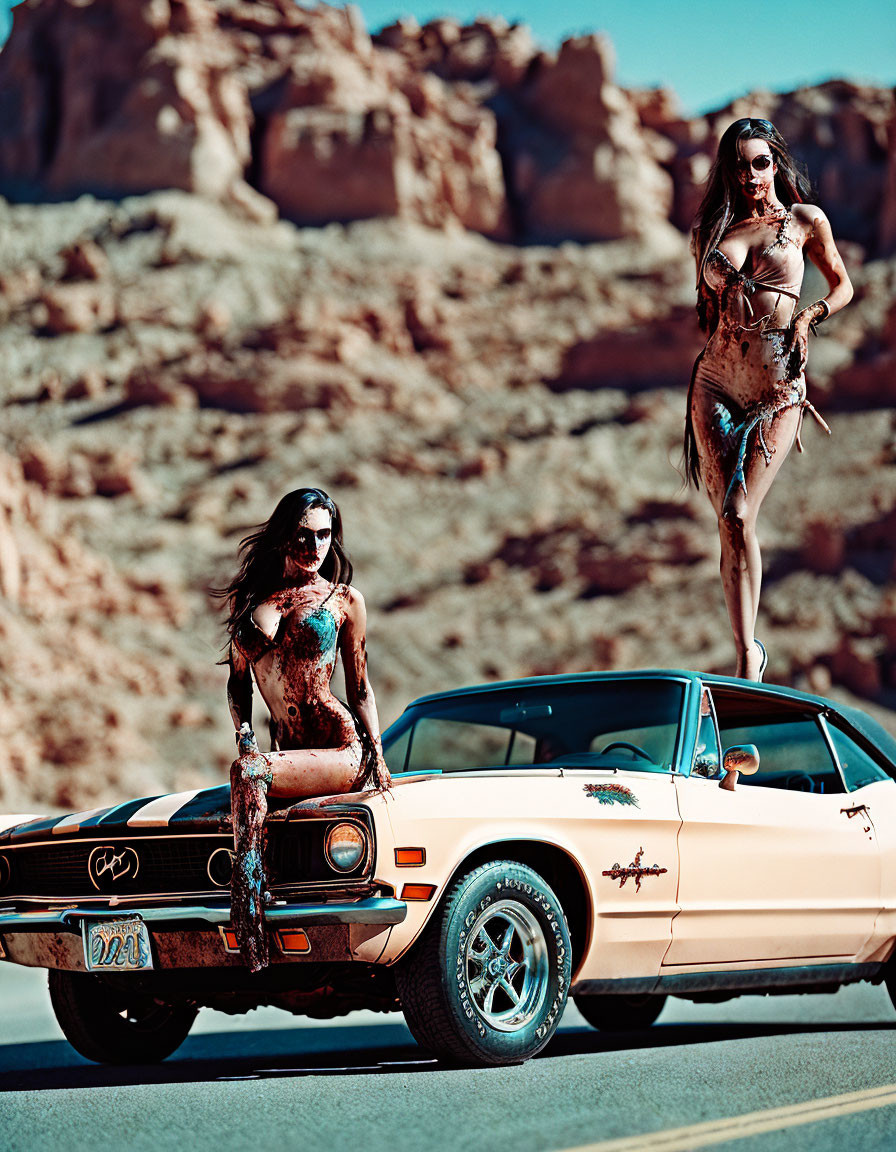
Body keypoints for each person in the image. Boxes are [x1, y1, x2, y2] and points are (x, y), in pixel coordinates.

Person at [684, 117, 852, 680]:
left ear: (776, 162)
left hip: (779, 385)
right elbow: (709, 306)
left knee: (739, 509)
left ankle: (748, 658)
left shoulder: (803, 221)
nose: (751, 174)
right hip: (716, 380)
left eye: (761, 162)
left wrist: (809, 315)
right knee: (727, 524)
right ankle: (744, 652)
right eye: (739, 164)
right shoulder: (717, 230)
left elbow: (843, 285)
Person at [216, 487, 390, 970]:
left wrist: (377, 753)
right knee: (244, 777)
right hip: (284, 751)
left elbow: (360, 689)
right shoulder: (254, 603)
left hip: (340, 747)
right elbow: (237, 686)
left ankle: (248, 924)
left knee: (249, 777)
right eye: (303, 535)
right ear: (282, 538)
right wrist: (245, 738)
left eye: (324, 535)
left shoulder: (343, 600)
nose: (315, 546)